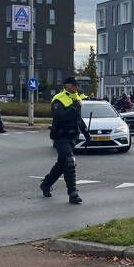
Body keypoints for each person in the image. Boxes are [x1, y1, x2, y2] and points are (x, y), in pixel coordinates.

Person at [40, 77, 90, 205]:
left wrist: (86, 132)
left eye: (77, 86)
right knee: (69, 162)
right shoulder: (58, 99)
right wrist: (73, 107)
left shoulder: (77, 98)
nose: (76, 88)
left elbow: (78, 118)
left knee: (62, 164)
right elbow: (59, 116)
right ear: (67, 86)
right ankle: (73, 194)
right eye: (74, 85)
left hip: (72, 136)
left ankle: (46, 184)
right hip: (60, 135)